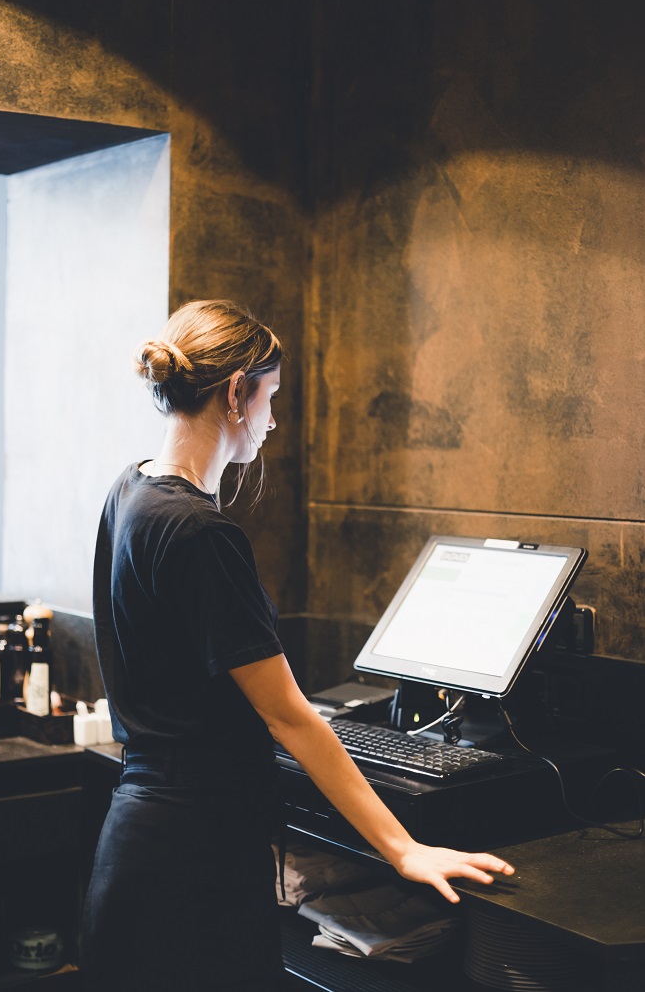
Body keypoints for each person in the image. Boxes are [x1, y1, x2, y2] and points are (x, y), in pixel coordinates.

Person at [80, 299, 514, 991]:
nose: (273, 419)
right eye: (271, 397)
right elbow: (287, 715)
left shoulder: (130, 488)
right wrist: (404, 850)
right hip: (193, 853)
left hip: (140, 835)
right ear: (235, 393)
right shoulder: (202, 533)